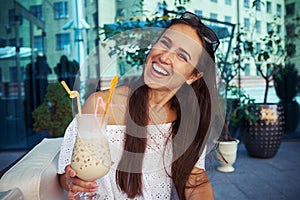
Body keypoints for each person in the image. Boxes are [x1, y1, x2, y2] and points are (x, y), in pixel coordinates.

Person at [57, 11, 222, 200]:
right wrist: (71, 181)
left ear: (193, 76)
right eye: (165, 43)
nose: (165, 57)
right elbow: (67, 174)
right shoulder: (101, 106)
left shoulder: (187, 121)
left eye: (182, 56)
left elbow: (195, 181)